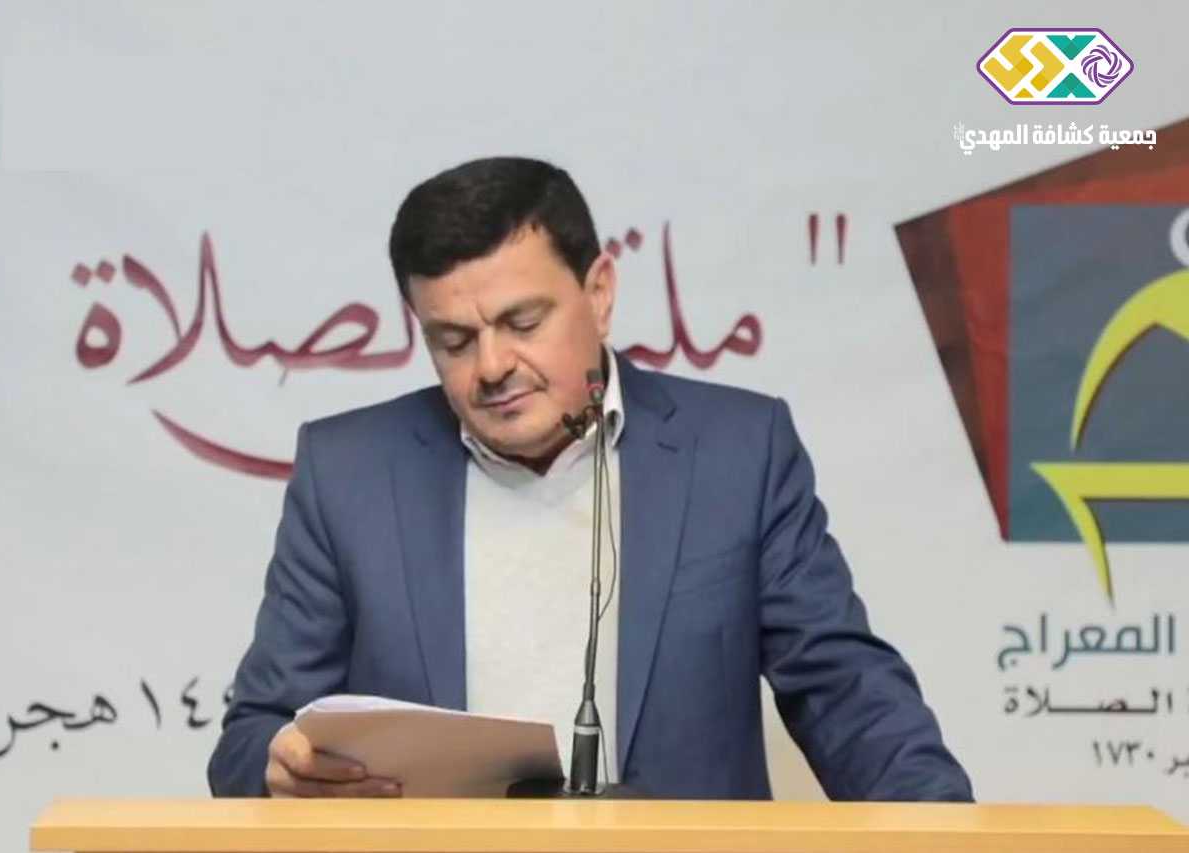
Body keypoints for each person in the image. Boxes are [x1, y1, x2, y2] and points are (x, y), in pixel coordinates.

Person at [207, 156, 973, 801]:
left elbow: (845, 689)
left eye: (522, 322)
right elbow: (251, 740)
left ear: (599, 293)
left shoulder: (738, 454)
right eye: (454, 340)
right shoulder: (349, 475)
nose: (492, 366)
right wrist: (280, 768)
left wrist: (945, 831)